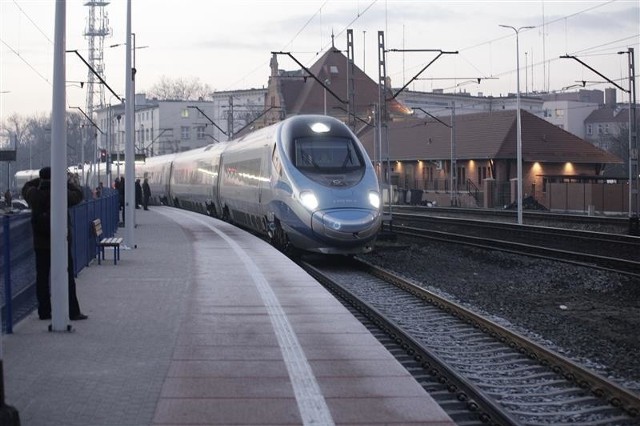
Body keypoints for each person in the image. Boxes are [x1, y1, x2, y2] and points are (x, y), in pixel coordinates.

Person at [21, 166, 88, 321]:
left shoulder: (34, 194)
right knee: (67, 276)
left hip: (40, 243)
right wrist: (64, 182)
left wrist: (41, 180)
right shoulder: (61, 193)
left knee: (42, 278)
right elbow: (78, 195)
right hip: (61, 241)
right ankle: (73, 311)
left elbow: (26, 187)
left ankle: (44, 312)